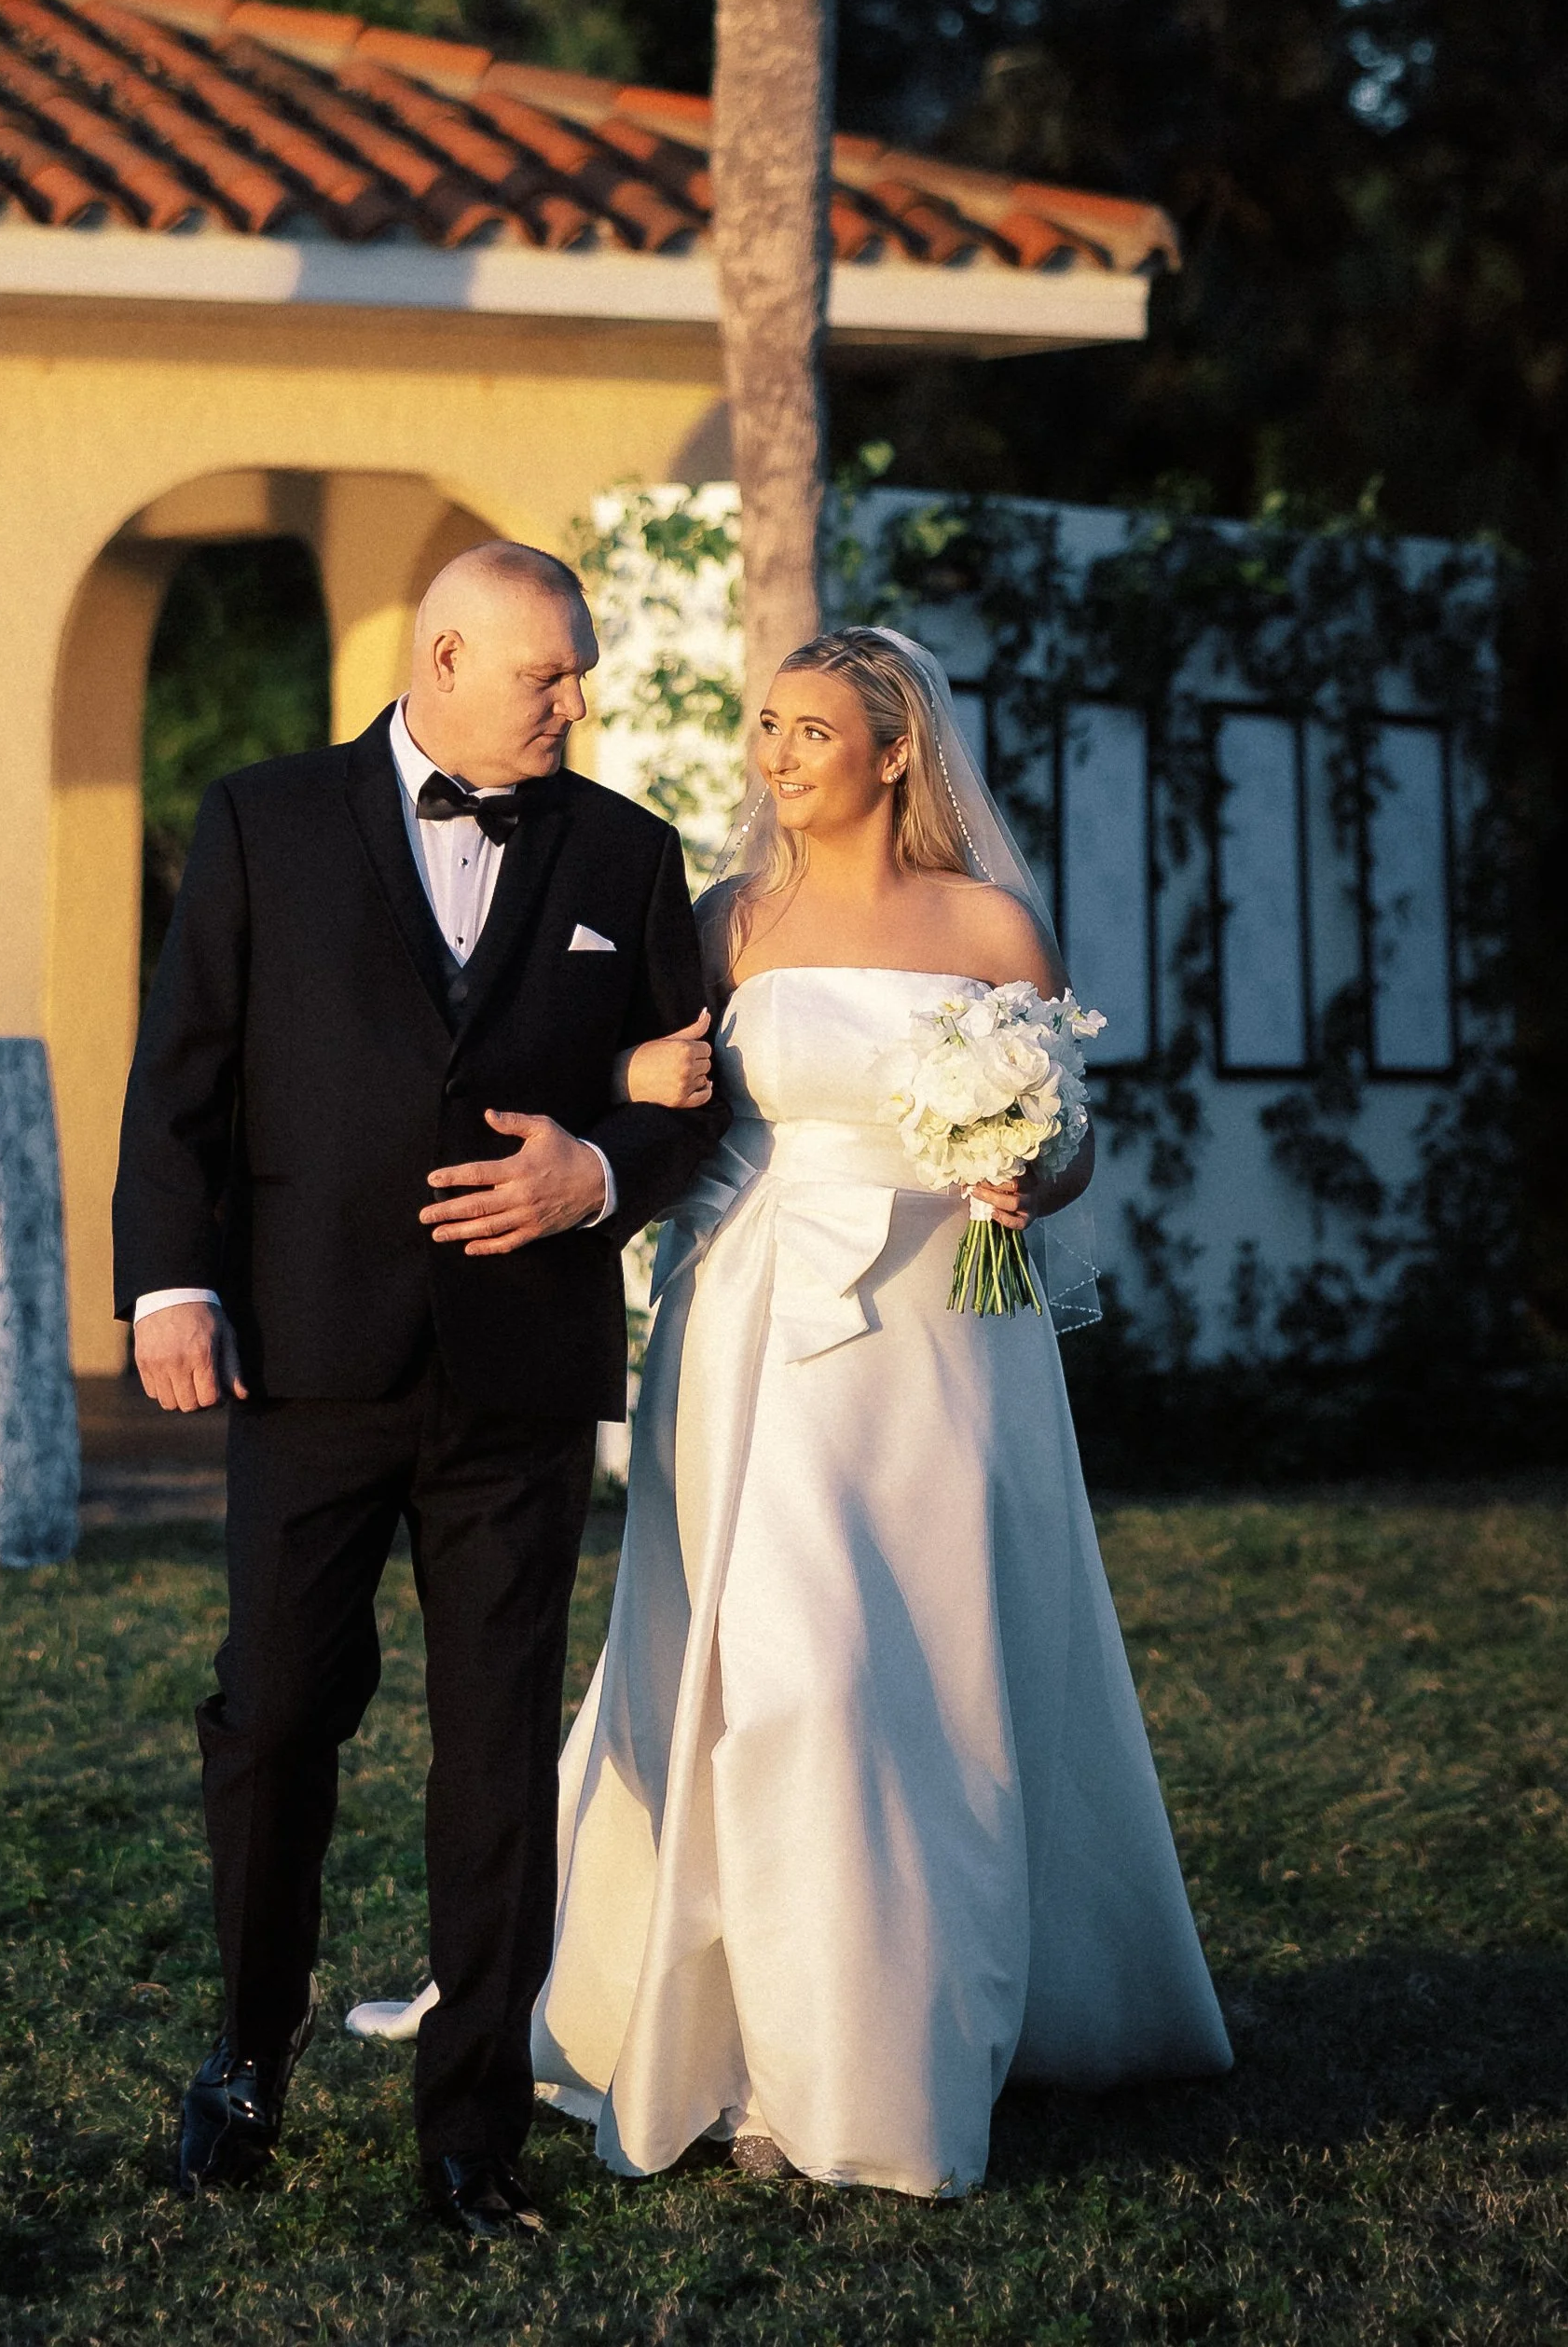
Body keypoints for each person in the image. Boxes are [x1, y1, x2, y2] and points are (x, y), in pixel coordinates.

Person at [530, 625, 1233, 2197]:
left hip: (939, 1338)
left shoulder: (987, 921)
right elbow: (663, 1103)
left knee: (928, 1667)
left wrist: (1022, 1171)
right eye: (765, 729)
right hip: (753, 1319)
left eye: (811, 731)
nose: (776, 758)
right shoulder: (729, 920)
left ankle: (900, 2031)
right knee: (784, 1672)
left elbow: (1069, 1144)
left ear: (895, 748)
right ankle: (760, 2053)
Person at [114, 543, 727, 2243]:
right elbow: (183, 1074)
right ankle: (246, 2055)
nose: (576, 703)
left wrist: (594, 1174)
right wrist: (173, 1281)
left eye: (582, 674)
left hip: (518, 1373)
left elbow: (692, 1094)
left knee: (494, 1754)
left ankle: (468, 2134)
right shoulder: (260, 820)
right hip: (308, 1353)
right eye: (549, 676)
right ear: (444, 656)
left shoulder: (624, 851)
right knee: (274, 1716)